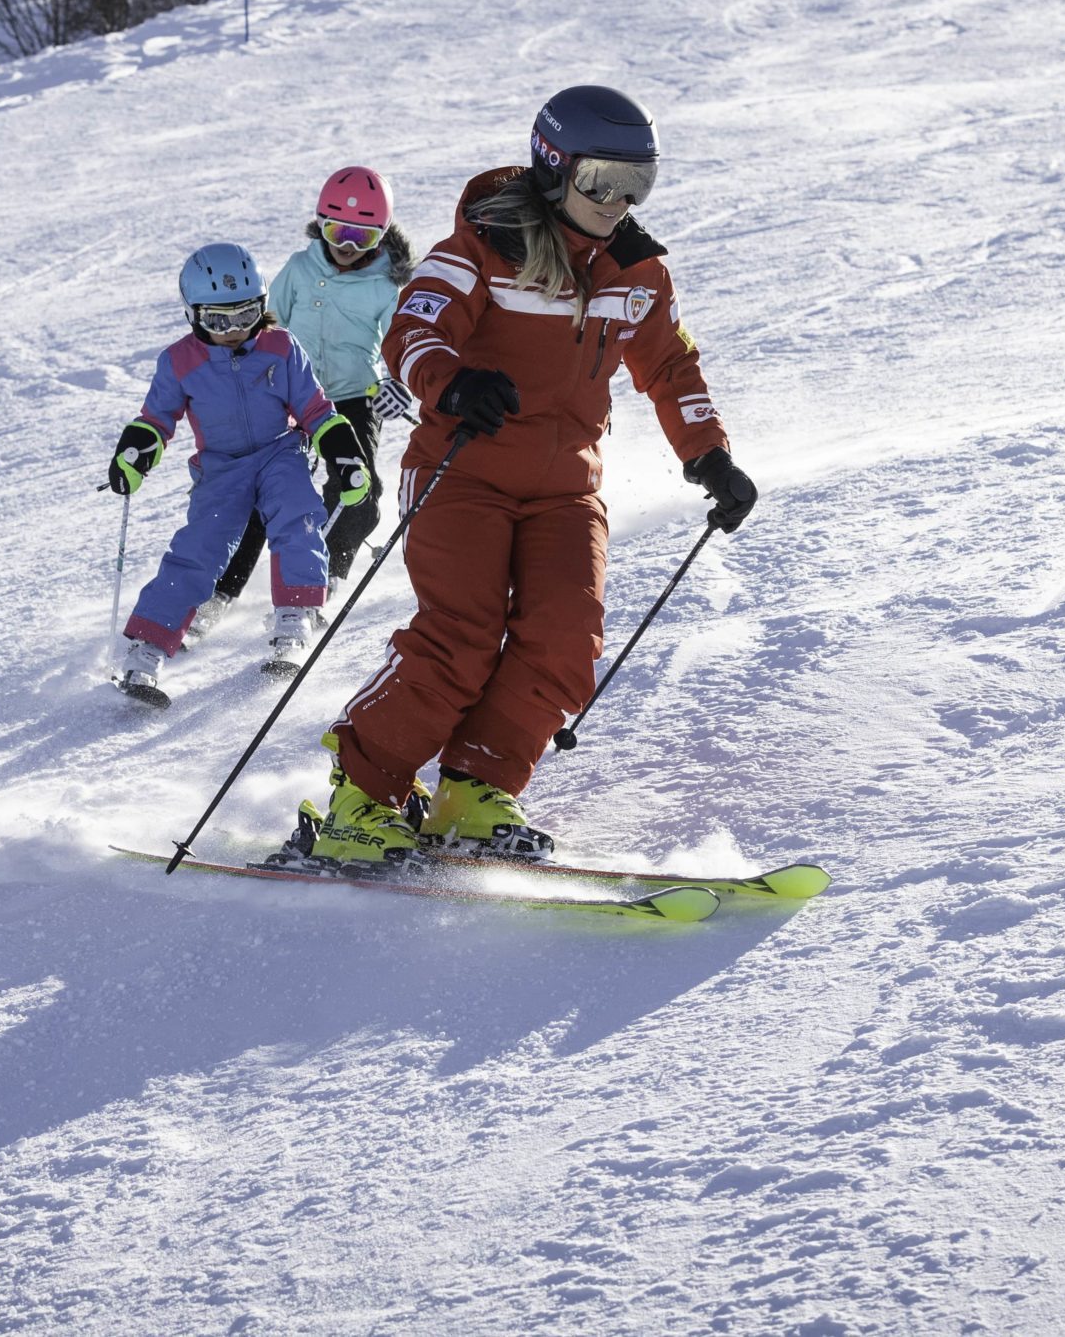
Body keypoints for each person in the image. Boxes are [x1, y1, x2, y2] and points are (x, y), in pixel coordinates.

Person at [298, 85, 758, 864]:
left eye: (637, 184)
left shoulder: (634, 274)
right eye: (600, 180)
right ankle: (361, 792)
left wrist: (708, 452)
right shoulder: (481, 248)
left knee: (564, 637)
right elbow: (414, 325)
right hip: (462, 473)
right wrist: (453, 381)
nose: (617, 201)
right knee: (462, 637)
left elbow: (671, 366)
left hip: (565, 489)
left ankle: (475, 789)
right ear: (554, 168)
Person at [107, 243, 372, 705]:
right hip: (221, 469)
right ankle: (146, 648)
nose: (233, 331)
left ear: (262, 306)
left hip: (279, 453)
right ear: (193, 315)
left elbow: (314, 407)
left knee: (299, 517)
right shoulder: (179, 361)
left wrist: (344, 453)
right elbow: (156, 418)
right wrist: (137, 451)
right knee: (199, 550)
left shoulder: (281, 347)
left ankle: (295, 617)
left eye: (245, 315)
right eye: (217, 321)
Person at [200, 167, 416, 633]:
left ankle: (324, 579)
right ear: (320, 225)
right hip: (289, 395)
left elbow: (404, 341)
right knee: (262, 493)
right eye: (337, 231)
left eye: (363, 236)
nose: (348, 246)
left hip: (352, 396)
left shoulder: (387, 285)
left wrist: (400, 381)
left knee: (361, 491)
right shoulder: (301, 268)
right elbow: (265, 323)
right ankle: (221, 592)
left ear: (382, 235)